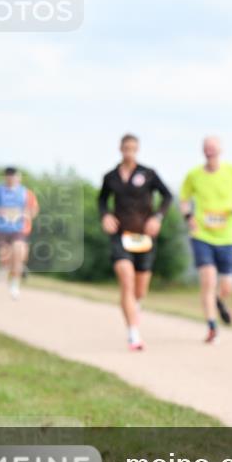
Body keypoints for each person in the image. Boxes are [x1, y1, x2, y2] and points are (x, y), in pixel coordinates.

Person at [98, 134, 173, 350]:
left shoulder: (148, 174)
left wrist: (157, 217)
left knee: (139, 291)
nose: (129, 151)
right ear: (120, 149)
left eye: (133, 148)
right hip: (121, 235)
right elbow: (102, 200)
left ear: (137, 149)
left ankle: (134, 307)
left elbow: (167, 196)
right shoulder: (110, 177)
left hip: (144, 237)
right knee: (126, 280)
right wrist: (105, 216)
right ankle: (133, 334)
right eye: (126, 148)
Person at [179, 136, 232, 344]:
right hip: (202, 235)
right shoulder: (193, 175)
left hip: (228, 236)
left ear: (220, 149)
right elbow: (184, 200)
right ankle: (212, 326)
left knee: (226, 286)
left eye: (213, 147)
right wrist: (189, 216)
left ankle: (220, 301)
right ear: (202, 151)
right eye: (206, 148)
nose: (209, 151)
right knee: (208, 280)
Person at [0, 167, 39, 299]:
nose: (11, 178)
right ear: (5, 177)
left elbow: (34, 209)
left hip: (18, 229)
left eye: (13, 176)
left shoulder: (25, 192)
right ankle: (4, 267)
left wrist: (26, 214)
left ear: (18, 177)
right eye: (8, 176)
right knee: (4, 257)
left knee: (18, 254)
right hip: (1, 228)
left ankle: (15, 285)